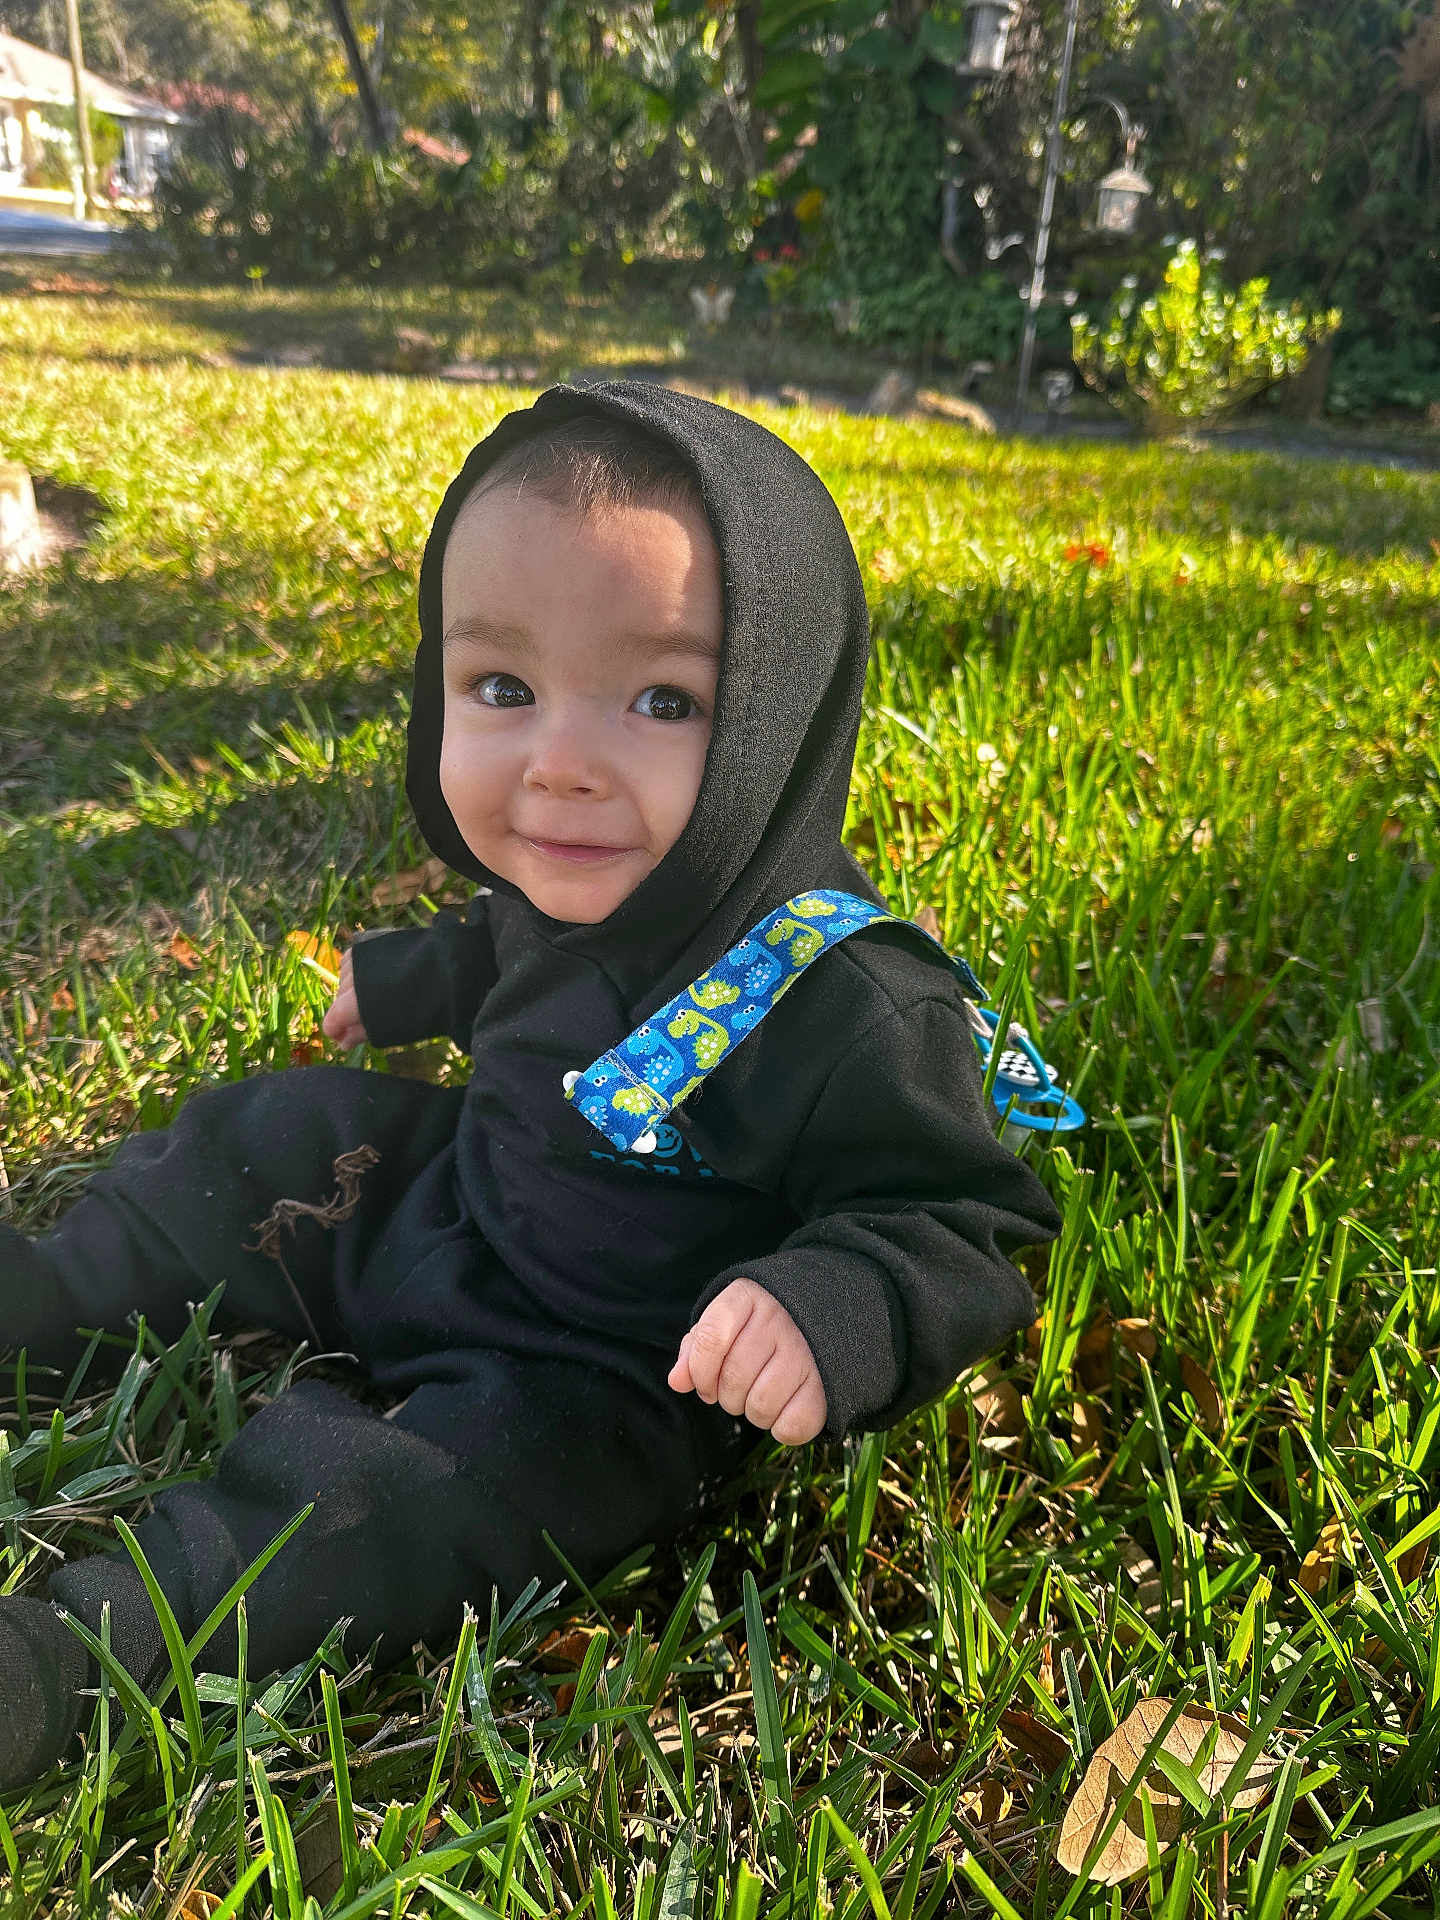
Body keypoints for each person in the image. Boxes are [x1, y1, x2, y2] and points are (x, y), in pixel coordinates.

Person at [0, 381, 1062, 1792]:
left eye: (663, 699)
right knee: (267, 1137)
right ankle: (35, 1300)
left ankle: (72, 1658)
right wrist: (401, 986)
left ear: (779, 718)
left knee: (393, 1514)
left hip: (607, 1364)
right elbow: (502, 946)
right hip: (449, 1206)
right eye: (503, 688)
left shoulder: (846, 999)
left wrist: (836, 1304)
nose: (559, 765)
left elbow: (969, 1214)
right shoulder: (576, 865)